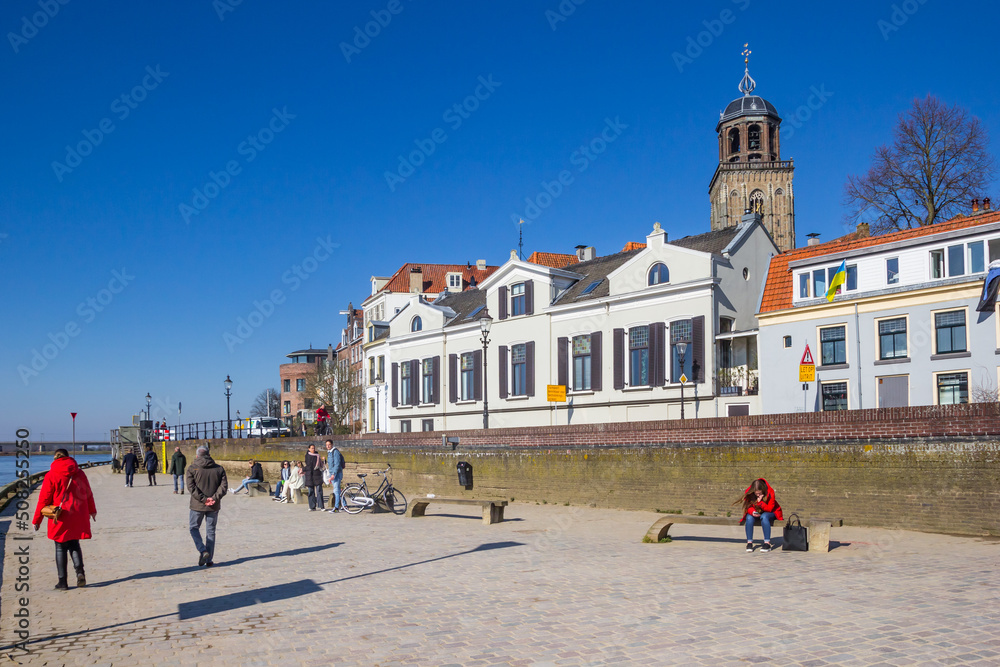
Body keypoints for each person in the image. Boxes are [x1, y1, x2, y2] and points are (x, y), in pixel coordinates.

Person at [32, 449, 97, 589]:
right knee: (74, 544)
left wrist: (37, 520)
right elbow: (88, 493)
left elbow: (44, 499)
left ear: (55, 458)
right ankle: (80, 573)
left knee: (60, 547)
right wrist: (92, 510)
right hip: (77, 514)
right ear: (68, 458)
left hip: (60, 515)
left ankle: (62, 582)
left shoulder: (51, 475)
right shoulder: (79, 473)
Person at [186, 446, 228, 567]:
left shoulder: (192, 468)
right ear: (209, 455)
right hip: (213, 506)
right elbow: (223, 487)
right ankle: (209, 559)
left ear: (197, 455)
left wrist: (204, 499)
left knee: (194, 528)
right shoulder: (219, 469)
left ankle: (203, 550)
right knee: (211, 531)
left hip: (197, 505)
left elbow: (191, 487)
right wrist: (214, 498)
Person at [735, 478, 783, 553]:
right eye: (756, 493)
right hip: (757, 512)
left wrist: (760, 503)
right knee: (749, 518)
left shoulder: (770, 492)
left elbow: (770, 509)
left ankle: (767, 543)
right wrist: (753, 512)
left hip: (770, 512)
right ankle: (749, 543)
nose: (758, 495)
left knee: (764, 517)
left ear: (763, 490)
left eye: (759, 493)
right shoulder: (750, 493)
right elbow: (748, 507)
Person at [324, 440, 345, 513]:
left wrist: (333, 474)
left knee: (336, 491)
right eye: (326, 445)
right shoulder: (329, 452)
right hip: (332, 473)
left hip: (336, 474)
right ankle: (344, 505)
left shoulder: (335, 452)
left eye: (329, 444)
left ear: (332, 444)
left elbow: (337, 464)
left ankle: (336, 508)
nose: (328, 446)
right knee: (338, 490)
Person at [304, 443, 325, 511]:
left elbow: (321, 464)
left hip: (317, 475)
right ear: (309, 449)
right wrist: (303, 469)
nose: (313, 449)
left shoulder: (317, 455)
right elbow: (309, 466)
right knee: (311, 491)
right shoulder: (307, 456)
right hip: (310, 476)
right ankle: (312, 506)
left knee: (319, 491)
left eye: (314, 448)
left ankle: (321, 506)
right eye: (312, 448)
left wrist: (324, 460)